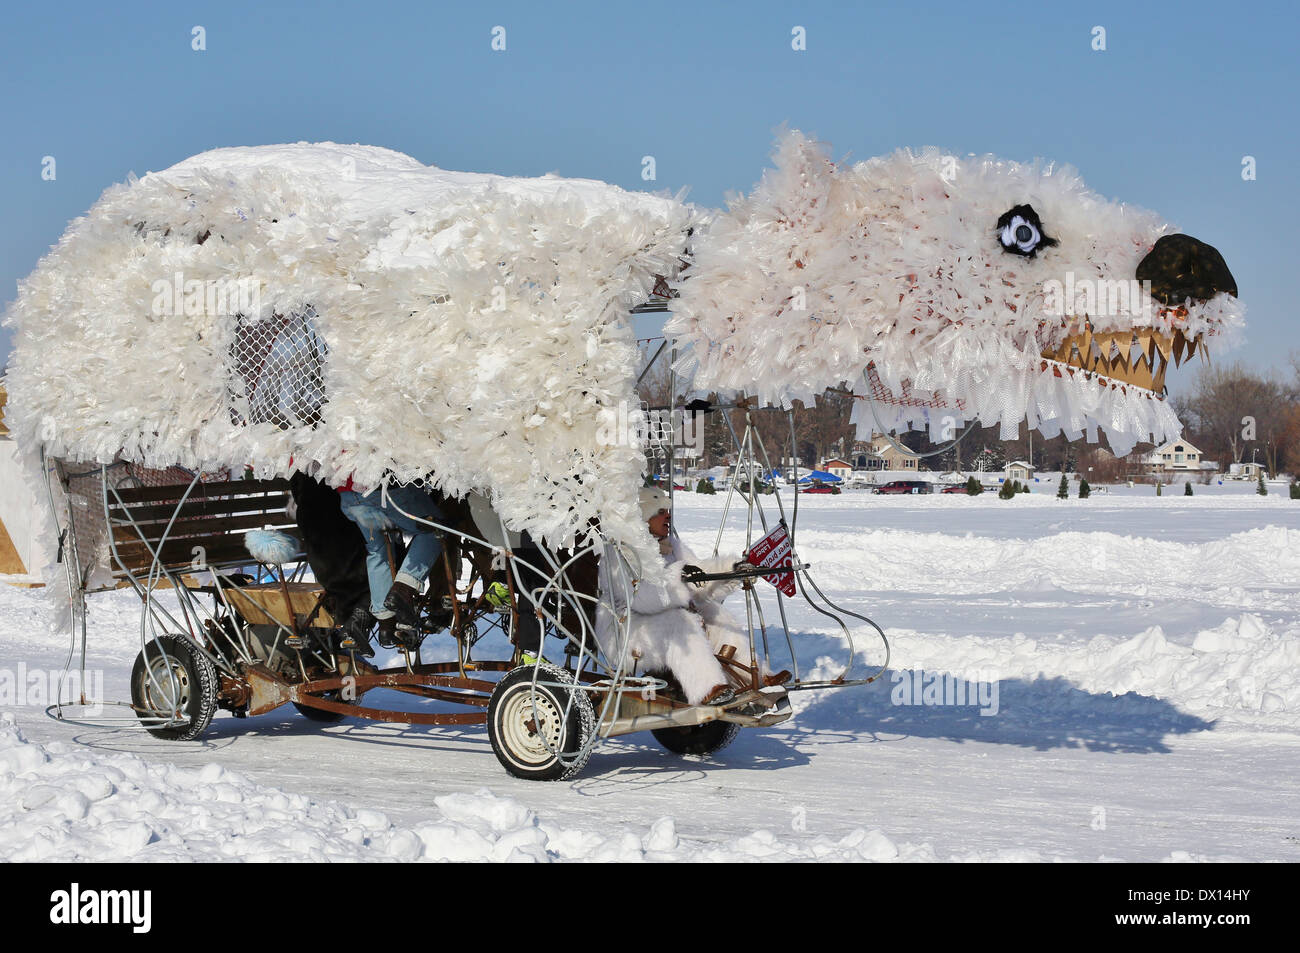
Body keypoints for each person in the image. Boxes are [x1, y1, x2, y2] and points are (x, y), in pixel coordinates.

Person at [595, 487, 787, 706]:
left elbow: (700, 573)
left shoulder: (671, 546)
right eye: (660, 511)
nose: (667, 516)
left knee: (717, 614)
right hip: (627, 632)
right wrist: (679, 577)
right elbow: (642, 599)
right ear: (642, 517)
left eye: (667, 511)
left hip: (657, 624)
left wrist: (732, 569)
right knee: (680, 621)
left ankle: (755, 678)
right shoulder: (620, 552)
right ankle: (708, 689)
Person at [336, 478, 447, 651]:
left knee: (377, 549)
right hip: (384, 490)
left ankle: (386, 625)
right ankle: (403, 590)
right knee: (436, 528)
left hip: (349, 496)